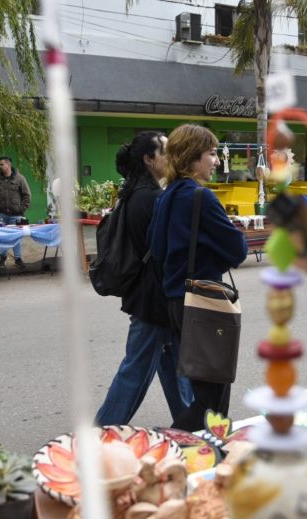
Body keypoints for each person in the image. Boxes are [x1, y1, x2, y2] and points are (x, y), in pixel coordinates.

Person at [147, 124, 248, 432]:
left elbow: (156, 249)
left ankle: (206, 456)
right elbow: (238, 250)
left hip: (178, 302)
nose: (216, 161)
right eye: (212, 154)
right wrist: (226, 240)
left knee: (206, 391)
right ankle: (171, 445)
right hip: (206, 304)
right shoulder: (201, 198)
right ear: (193, 158)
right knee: (211, 400)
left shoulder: (166, 196)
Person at [95, 131, 193, 426]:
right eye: (164, 152)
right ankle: (102, 434)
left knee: (177, 368)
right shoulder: (151, 199)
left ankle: (191, 427)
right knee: (135, 372)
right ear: (148, 160)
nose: (170, 157)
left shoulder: (136, 195)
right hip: (155, 301)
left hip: (154, 297)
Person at [0, 156, 31, 269]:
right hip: (0, 214)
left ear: (8, 165)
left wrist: (21, 209)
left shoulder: (20, 179)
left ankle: (18, 259)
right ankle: (3, 258)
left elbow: (27, 196)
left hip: (16, 214)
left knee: (17, 237)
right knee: (1, 237)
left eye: (1, 164)